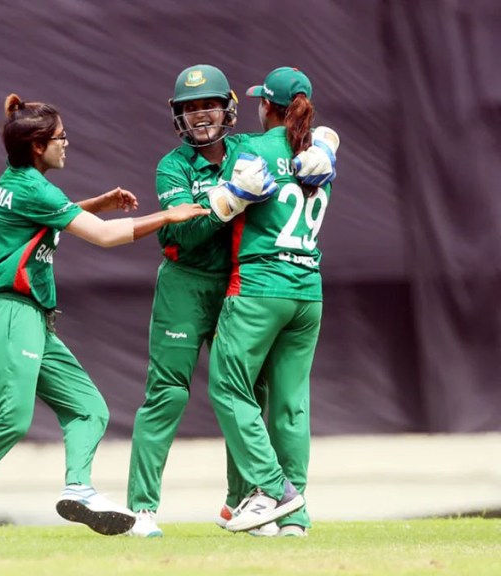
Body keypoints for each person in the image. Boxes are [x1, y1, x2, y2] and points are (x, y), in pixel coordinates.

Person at [0, 92, 221, 539]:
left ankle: (78, 489)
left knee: (88, 410)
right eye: (60, 137)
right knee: (10, 420)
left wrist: (96, 202)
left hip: (31, 316)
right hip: (9, 312)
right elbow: (105, 238)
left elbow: (51, 217)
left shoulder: (21, 178)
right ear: (37, 146)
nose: (66, 144)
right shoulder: (32, 186)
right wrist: (168, 215)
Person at [125, 64, 338, 538]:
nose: (200, 116)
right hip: (185, 285)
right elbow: (179, 235)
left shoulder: (249, 147)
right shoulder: (172, 165)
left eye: (208, 106)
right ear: (177, 115)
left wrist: (326, 143)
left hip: (242, 285)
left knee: (252, 393)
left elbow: (298, 134)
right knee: (167, 394)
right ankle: (142, 509)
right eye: (190, 108)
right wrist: (229, 202)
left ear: (229, 109)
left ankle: (246, 501)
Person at [208, 66, 339, 537]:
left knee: (227, 387)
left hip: (260, 287)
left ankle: (275, 490)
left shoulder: (249, 147)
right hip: (309, 290)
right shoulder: (315, 151)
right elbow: (326, 137)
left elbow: (220, 208)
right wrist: (327, 141)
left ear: (267, 106)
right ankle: (296, 519)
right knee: (291, 404)